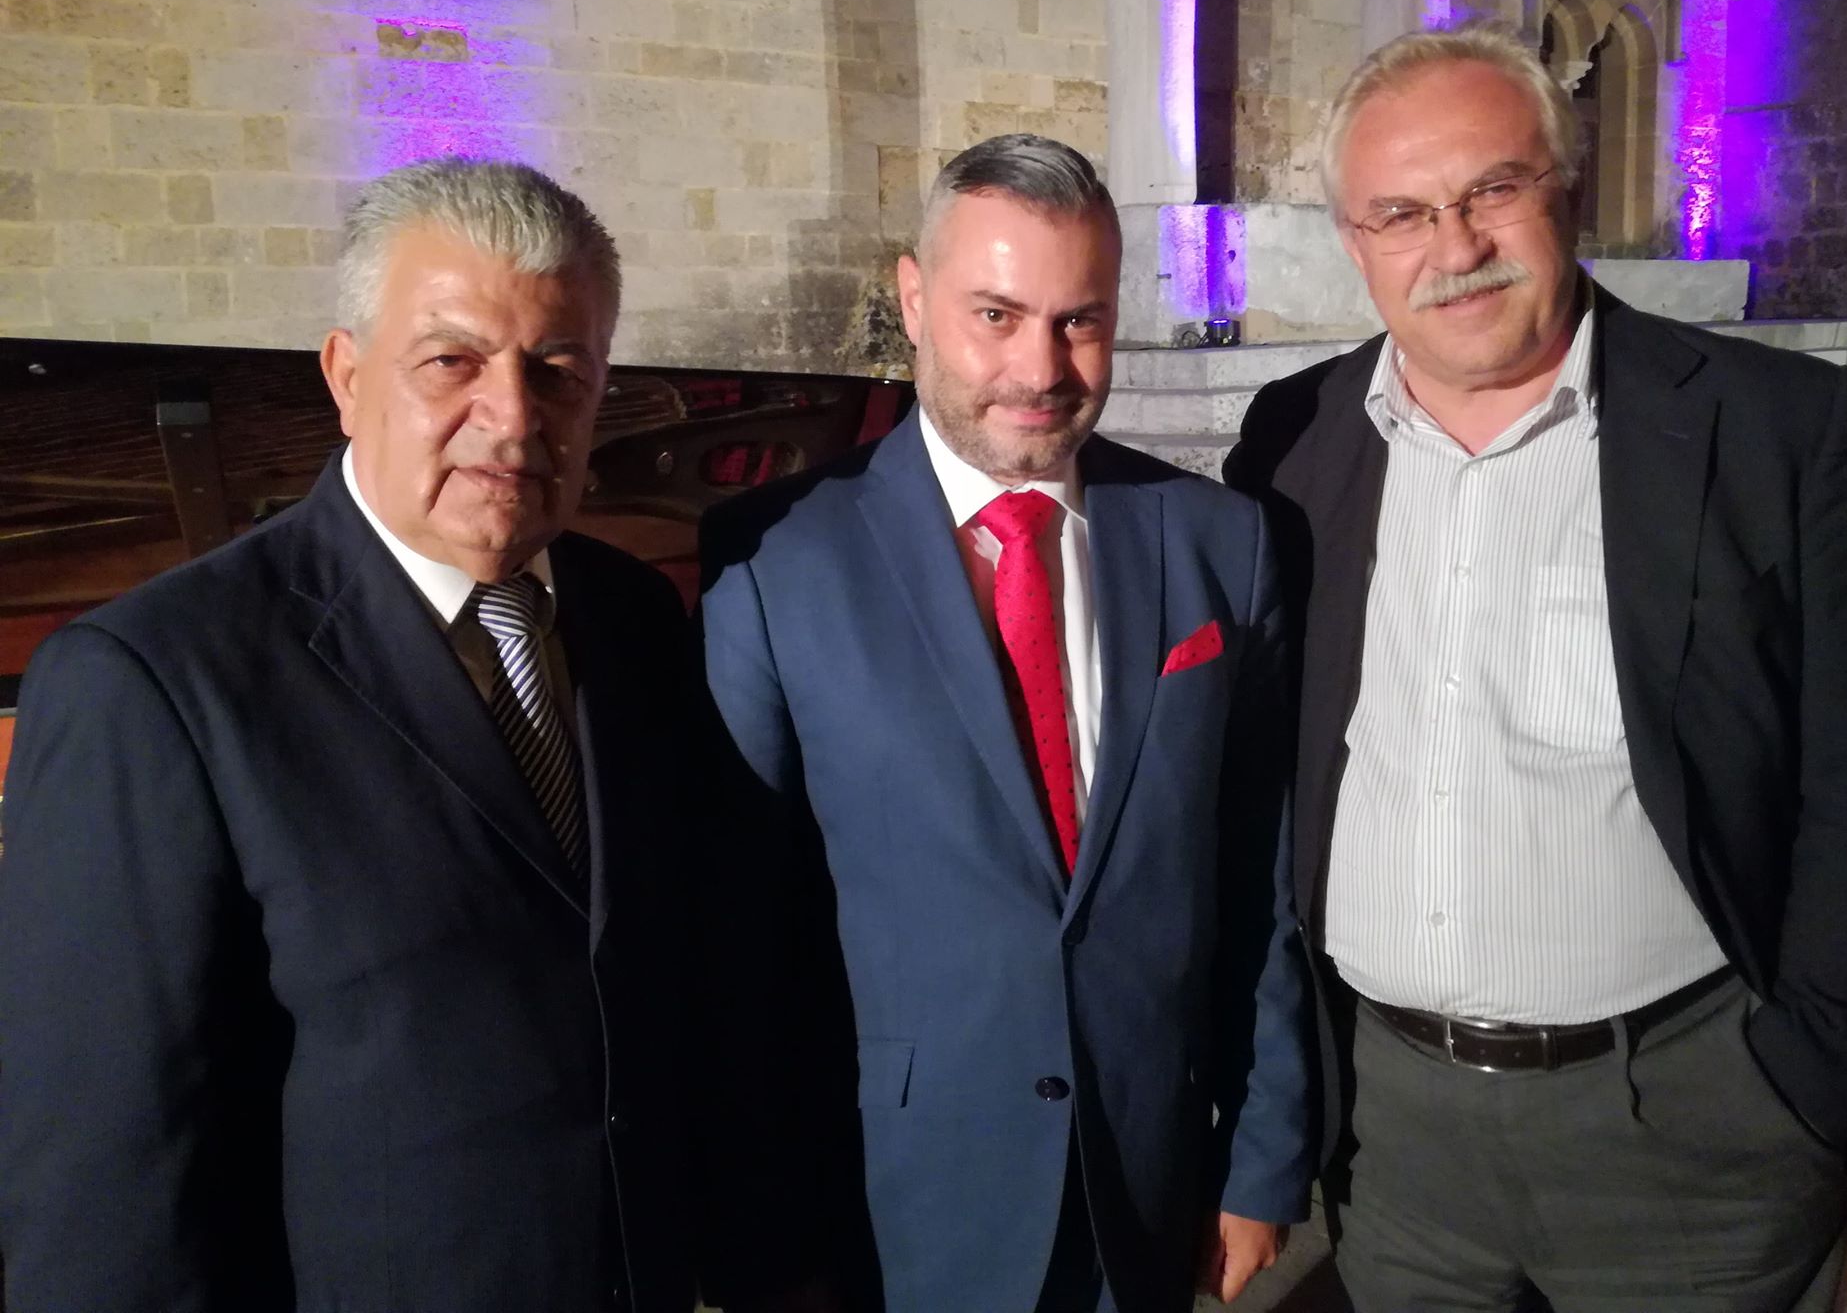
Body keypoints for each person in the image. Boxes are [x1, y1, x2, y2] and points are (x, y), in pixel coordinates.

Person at [1224, 23, 1847, 1312]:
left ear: (1564, 191)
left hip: (1691, 1134)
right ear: (1353, 240)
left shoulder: (1772, 429)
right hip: (1391, 1139)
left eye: (1490, 190)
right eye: (1400, 214)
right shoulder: (1292, 438)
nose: (1453, 248)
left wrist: (1801, 1078)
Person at [0, 159, 758, 1312]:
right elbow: (108, 1185)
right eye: (452, 361)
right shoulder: (153, 683)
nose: (513, 419)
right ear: (347, 378)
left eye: (557, 370)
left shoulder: (635, 619)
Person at [697, 134, 1316, 1312]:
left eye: (1080, 321)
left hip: (1145, 1179)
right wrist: (761, 1236)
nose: (1040, 368)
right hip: (895, 1200)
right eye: (996, 315)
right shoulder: (774, 560)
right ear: (912, 300)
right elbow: (743, 938)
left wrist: (1261, 1155)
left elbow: (1258, 876)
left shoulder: (1217, 545)